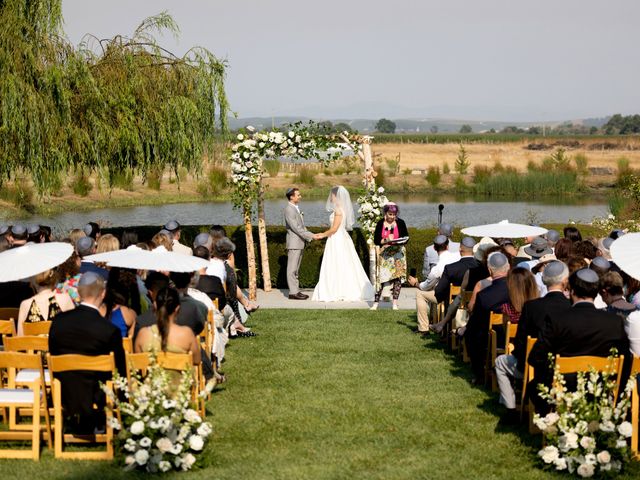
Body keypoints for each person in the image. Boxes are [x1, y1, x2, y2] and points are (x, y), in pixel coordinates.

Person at [528, 268, 631, 413]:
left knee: (534, 386)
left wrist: (555, 371)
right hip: (600, 387)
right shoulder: (614, 321)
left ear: (572, 291)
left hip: (563, 387)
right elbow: (626, 358)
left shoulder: (558, 320)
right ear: (597, 293)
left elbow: (535, 357)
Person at [48, 272, 126, 434]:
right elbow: (120, 371)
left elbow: (53, 355)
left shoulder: (58, 322)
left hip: (64, 390)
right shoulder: (109, 330)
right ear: (103, 293)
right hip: (96, 394)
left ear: (78, 292)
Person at [494, 261, 570, 423]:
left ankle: (510, 409)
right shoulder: (571, 306)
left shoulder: (531, 307)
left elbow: (521, 341)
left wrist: (519, 356)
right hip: (565, 365)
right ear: (565, 282)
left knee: (500, 362)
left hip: (535, 366)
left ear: (544, 280)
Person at [312, 186, 374, 302]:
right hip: (341, 237)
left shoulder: (338, 210)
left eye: (332, 194)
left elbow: (334, 228)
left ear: (336, 196)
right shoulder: (342, 209)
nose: (330, 197)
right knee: (344, 262)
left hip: (336, 238)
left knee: (336, 262)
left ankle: (338, 289)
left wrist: (322, 234)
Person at [462, 252, 511, 385]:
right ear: (508, 267)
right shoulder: (518, 289)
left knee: (471, 333)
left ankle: (479, 374)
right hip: (516, 335)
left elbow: (475, 321)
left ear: (489, 270)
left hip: (495, 336)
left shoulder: (484, 295)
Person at [134, 286, 201, 366]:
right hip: (179, 378)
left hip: (153, 378)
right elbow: (196, 360)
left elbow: (138, 362)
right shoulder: (186, 334)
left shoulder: (143, 334)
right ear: (177, 309)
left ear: (155, 306)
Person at [408, 235, 459, 330]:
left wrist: (415, 284)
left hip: (446, 294)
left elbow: (426, 286)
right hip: (460, 293)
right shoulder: (457, 256)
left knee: (420, 294)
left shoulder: (438, 267)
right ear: (448, 246)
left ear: (435, 248)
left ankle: (423, 329)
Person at [371, 202, 409, 310]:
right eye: (390, 214)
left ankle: (395, 303)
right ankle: (376, 303)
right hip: (385, 253)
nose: (392, 217)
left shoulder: (401, 222)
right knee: (382, 277)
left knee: (398, 277)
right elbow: (376, 240)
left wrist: (401, 240)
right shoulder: (380, 223)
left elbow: (406, 236)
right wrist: (386, 240)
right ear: (385, 213)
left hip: (398, 253)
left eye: (394, 214)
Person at [284, 187, 319, 299]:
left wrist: (310, 235)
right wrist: (311, 235)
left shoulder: (295, 208)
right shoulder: (289, 209)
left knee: (296, 269)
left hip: (299, 242)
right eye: (298, 195)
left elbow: (301, 227)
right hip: (294, 243)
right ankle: (293, 293)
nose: (300, 196)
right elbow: (296, 228)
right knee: (292, 269)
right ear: (291, 196)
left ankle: (296, 290)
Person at [17, 268, 75, 336]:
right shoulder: (65, 299)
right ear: (53, 278)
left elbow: (20, 340)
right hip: (58, 346)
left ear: (32, 281)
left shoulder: (25, 305)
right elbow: (74, 333)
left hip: (34, 346)